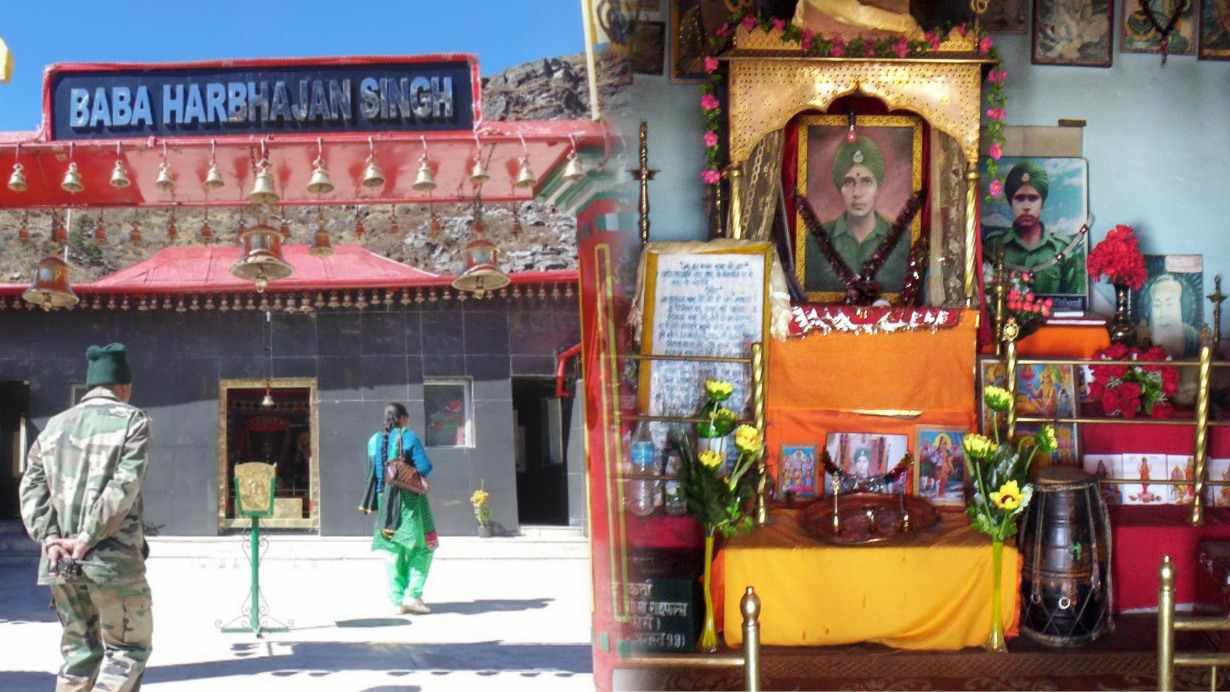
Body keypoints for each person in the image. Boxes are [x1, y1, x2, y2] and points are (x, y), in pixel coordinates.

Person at [19, 343, 153, 691]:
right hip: (112, 561)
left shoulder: (54, 426)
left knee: (79, 654)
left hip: (59, 563)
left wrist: (49, 539)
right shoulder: (132, 421)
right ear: (123, 386)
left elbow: (31, 489)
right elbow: (124, 488)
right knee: (127, 651)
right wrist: (86, 538)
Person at [803, 135, 910, 294]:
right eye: (849, 182)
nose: (857, 193)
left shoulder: (903, 241)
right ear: (841, 189)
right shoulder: (814, 241)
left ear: (877, 188)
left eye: (866, 182)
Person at [366, 403, 437, 615]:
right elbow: (424, 467)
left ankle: (397, 601)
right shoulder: (409, 437)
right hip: (409, 501)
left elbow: (373, 473)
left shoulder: (373, 441)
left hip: (384, 500)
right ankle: (413, 596)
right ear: (403, 418)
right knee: (423, 547)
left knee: (393, 551)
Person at [984, 161, 1086, 295]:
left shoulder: (1063, 249)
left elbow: (1075, 303)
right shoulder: (994, 246)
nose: (1026, 206)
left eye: (1033, 199)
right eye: (1020, 199)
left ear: (1042, 203)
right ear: (1010, 203)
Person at [1137, 274, 1200, 357]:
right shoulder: (1144, 335)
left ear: (1179, 305)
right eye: (1157, 305)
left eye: (1169, 304)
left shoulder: (1192, 336)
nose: (1163, 313)